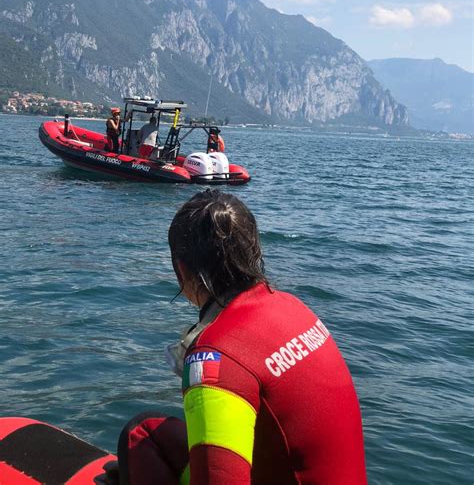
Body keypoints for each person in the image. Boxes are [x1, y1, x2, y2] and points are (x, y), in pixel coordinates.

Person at [118, 189, 367, 484]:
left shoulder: (214, 360)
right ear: (254, 252)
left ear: (181, 269)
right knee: (153, 431)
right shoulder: (293, 307)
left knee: (139, 434)